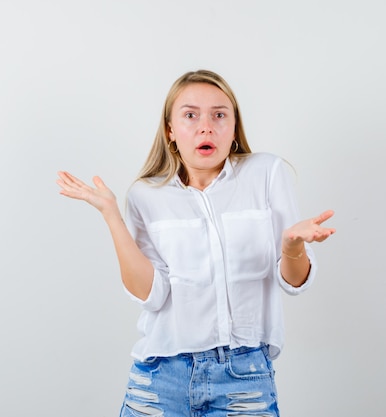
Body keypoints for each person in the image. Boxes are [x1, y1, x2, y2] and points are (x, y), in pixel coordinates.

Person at [56, 69, 335, 417]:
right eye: (191, 115)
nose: (206, 127)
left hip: (243, 377)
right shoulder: (146, 194)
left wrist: (292, 247)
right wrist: (112, 214)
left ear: (234, 128)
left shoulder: (266, 174)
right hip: (160, 377)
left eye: (220, 115)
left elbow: (293, 281)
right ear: (170, 130)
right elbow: (151, 294)